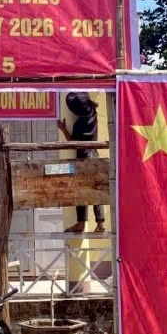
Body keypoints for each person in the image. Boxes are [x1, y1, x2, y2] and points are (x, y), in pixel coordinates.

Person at [59, 91, 105, 233]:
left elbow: (72, 143)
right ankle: (100, 222)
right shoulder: (93, 114)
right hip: (95, 156)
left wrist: (63, 129)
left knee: (80, 190)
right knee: (97, 190)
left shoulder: (80, 123)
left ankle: (80, 223)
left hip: (84, 157)